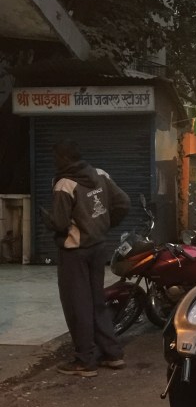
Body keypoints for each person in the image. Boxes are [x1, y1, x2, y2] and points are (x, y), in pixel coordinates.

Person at [44, 140, 131, 378]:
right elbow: (123, 202)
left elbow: (60, 223)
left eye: (56, 157)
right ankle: (112, 353)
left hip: (75, 252)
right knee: (97, 301)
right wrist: (103, 225)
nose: (54, 161)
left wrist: (49, 221)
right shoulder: (100, 174)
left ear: (64, 159)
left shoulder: (64, 184)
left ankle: (85, 360)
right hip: (98, 247)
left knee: (77, 305)